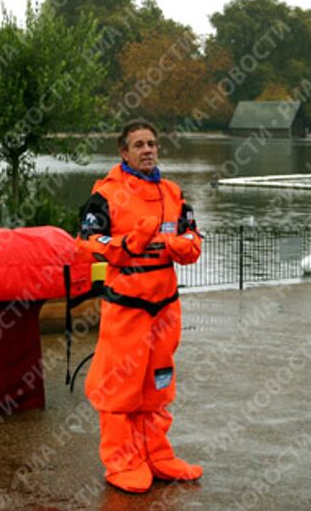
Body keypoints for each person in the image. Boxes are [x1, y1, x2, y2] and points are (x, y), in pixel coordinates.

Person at [76, 120, 203, 493]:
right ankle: (122, 461)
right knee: (120, 387)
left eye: (152, 143)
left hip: (165, 305)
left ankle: (157, 454)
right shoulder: (105, 194)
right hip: (127, 305)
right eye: (139, 145)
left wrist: (188, 246)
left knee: (158, 384)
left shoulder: (173, 193)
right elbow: (86, 241)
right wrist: (125, 245)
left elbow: (192, 233)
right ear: (124, 152)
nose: (148, 150)